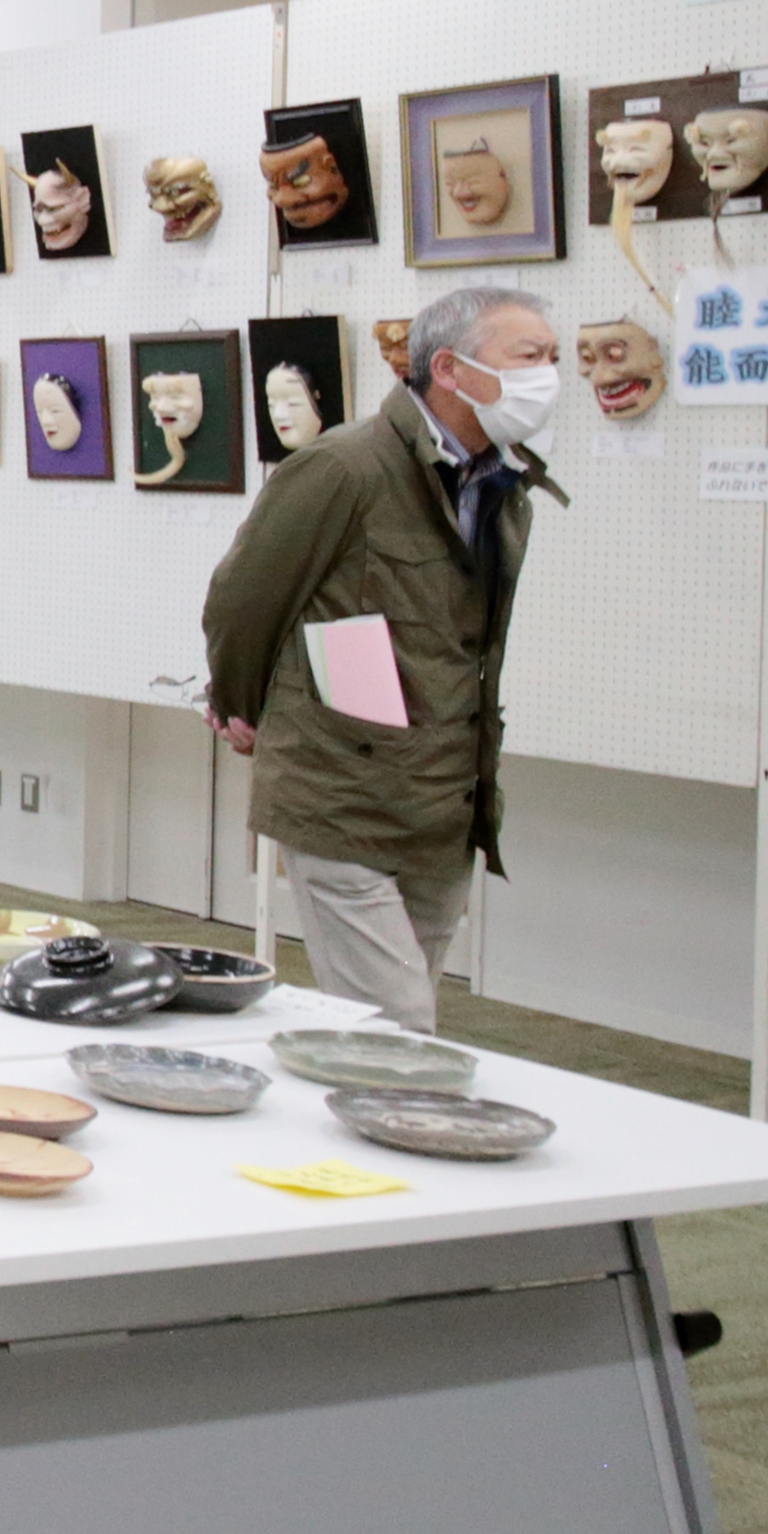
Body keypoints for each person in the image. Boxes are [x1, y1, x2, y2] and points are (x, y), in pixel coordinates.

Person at [197, 285, 563, 1033]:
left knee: (390, 1021)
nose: (548, 376)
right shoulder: (345, 468)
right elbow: (244, 602)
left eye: (553, 359)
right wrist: (241, 708)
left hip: (441, 802)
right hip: (339, 795)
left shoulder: (503, 485)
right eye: (529, 357)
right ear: (450, 369)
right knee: (396, 1028)